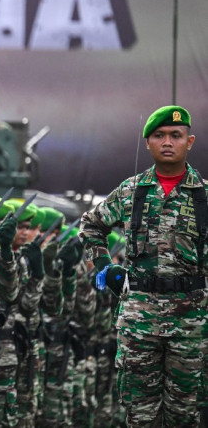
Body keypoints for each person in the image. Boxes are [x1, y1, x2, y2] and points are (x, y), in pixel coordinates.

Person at [79, 105, 208, 427]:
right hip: (140, 319)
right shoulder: (130, 191)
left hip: (191, 320)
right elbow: (91, 225)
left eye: (175, 136)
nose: (168, 142)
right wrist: (105, 266)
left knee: (185, 413)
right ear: (148, 142)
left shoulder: (204, 195)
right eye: (159, 135)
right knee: (140, 412)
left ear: (189, 142)